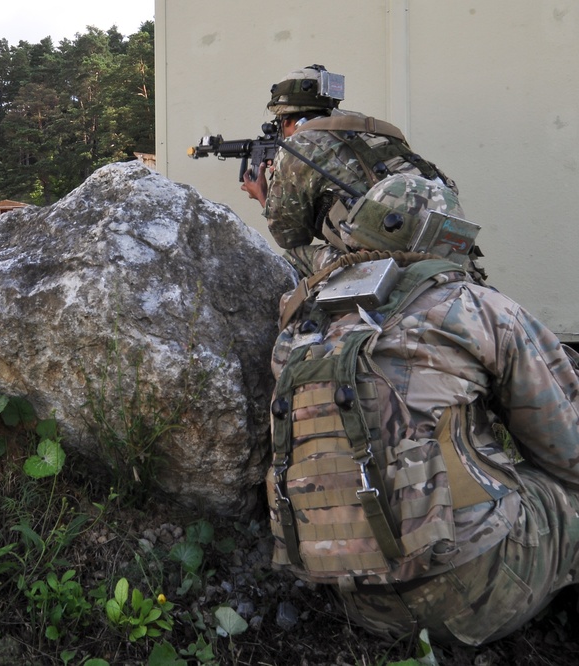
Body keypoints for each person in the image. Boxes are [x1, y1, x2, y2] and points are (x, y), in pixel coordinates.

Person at [265, 172, 579, 647]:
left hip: (359, 602)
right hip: (482, 587)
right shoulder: (476, 309)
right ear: (450, 241)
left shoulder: (299, 320)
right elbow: (568, 450)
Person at [241, 64, 461, 278]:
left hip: (386, 256)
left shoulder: (298, 145)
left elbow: (290, 237)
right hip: (445, 245)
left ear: (286, 119)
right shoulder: (371, 129)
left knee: (292, 258)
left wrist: (263, 195)